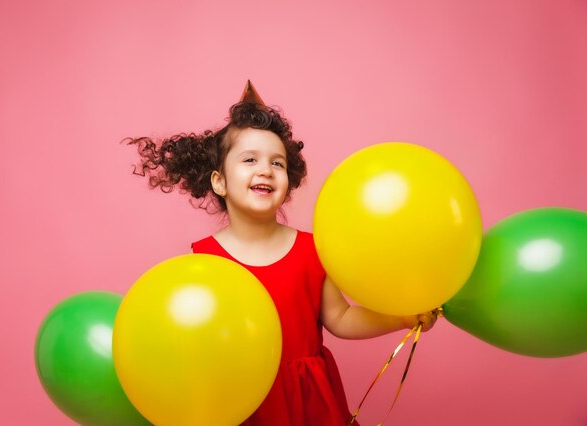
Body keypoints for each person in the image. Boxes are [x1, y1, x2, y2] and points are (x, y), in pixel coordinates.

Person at [126, 81, 438, 426]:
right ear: (219, 182)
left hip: (310, 402)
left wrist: (402, 319)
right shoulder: (204, 261)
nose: (265, 170)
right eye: (249, 160)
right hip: (246, 401)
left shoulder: (311, 249)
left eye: (277, 163)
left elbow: (342, 319)